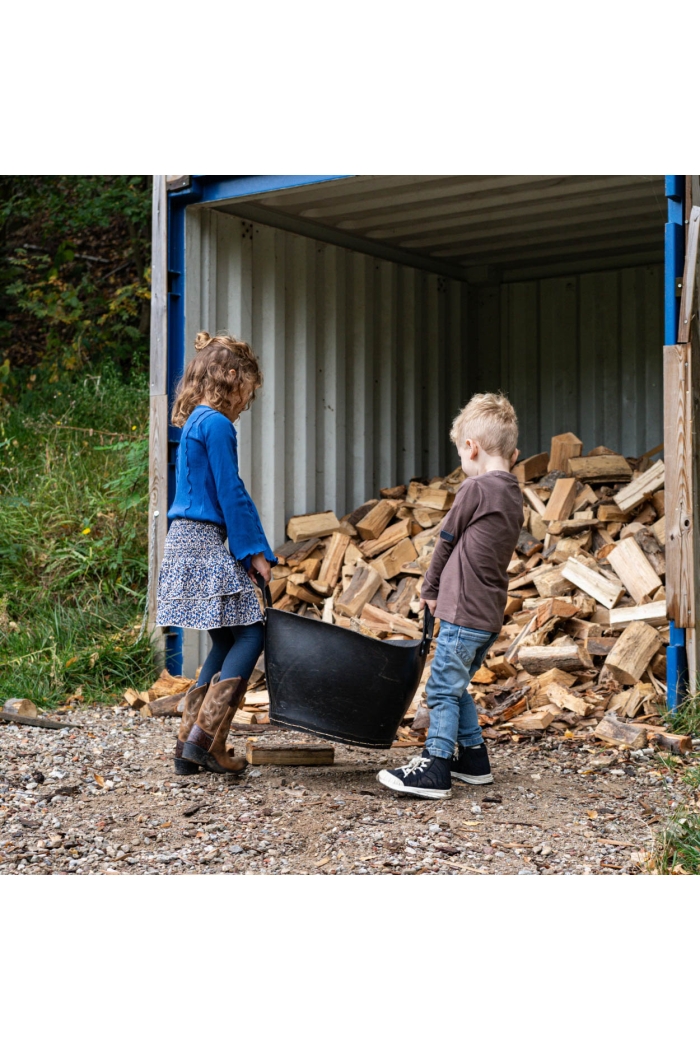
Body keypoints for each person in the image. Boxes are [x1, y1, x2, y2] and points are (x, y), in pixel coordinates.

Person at [377, 393, 523, 800]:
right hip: (487, 616)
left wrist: (430, 587)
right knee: (455, 686)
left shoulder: (475, 489)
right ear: (515, 453)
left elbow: (445, 540)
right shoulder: (513, 495)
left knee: (441, 689)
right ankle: (473, 759)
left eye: (461, 451)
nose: (462, 461)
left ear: (472, 447)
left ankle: (435, 766)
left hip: (463, 613)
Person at [156, 331, 275, 777]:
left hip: (183, 537)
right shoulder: (218, 425)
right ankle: (208, 743)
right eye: (248, 390)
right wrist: (255, 553)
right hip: (204, 538)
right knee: (250, 635)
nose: (246, 403)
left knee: (225, 637)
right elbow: (231, 491)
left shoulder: (193, 423)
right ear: (230, 377)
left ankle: (189, 745)